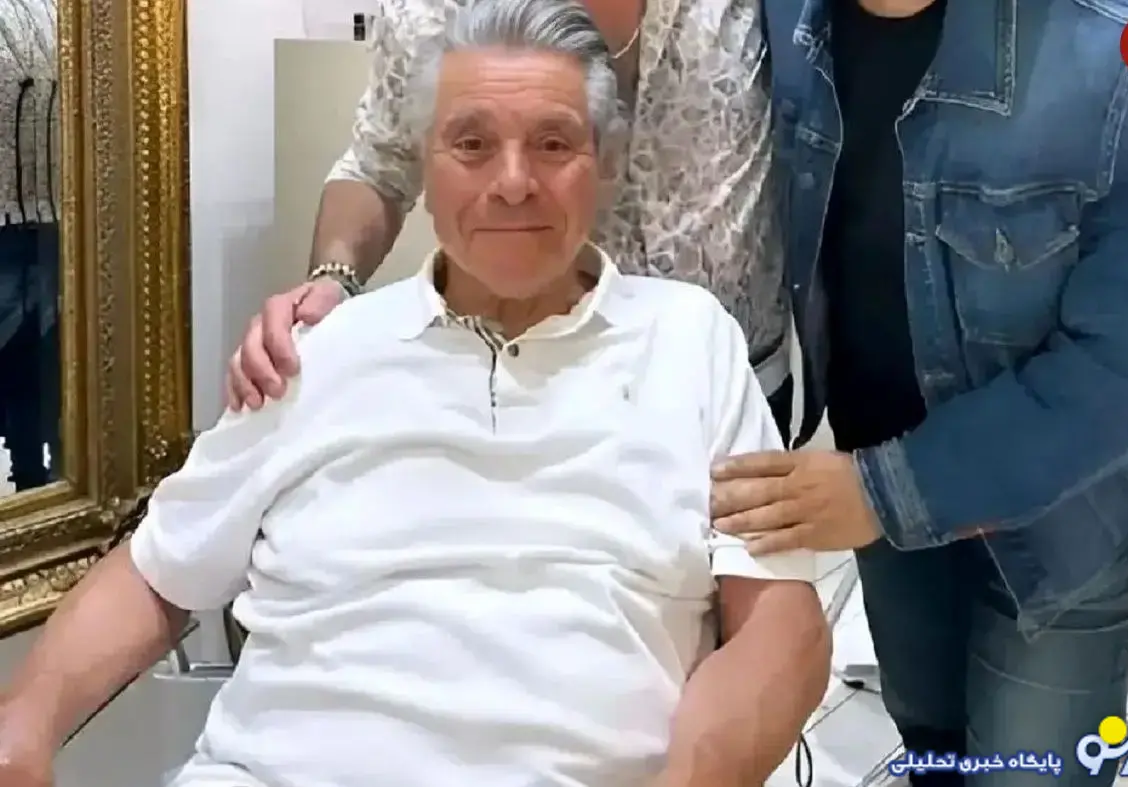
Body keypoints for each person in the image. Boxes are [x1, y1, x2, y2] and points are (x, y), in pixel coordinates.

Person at [0, 3, 832, 785]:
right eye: (471, 144)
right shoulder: (319, 355)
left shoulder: (693, 345)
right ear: (423, 165)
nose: (513, 182)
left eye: (553, 143)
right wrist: (24, 721)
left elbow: (779, 627)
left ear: (604, 164)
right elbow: (156, 571)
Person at [709, 0, 1128, 785]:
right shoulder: (784, 19)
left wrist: (891, 492)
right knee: (930, 740)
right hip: (880, 467)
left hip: (1065, 520)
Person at [226, 0, 796, 440]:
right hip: (516, 379)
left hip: (736, 382)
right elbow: (379, 163)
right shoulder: (430, 10)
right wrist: (333, 278)